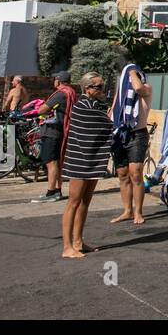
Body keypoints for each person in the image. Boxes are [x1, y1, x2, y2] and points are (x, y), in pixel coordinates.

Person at [60, 74, 114, 259]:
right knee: (73, 202)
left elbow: (104, 125)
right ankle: (67, 247)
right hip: (79, 159)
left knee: (85, 202)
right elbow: (103, 125)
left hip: (93, 158)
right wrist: (109, 122)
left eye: (102, 86)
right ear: (87, 88)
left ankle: (78, 241)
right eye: (98, 86)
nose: (101, 89)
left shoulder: (97, 106)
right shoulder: (81, 106)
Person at [110, 67, 152, 225]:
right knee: (122, 173)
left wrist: (131, 71)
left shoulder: (146, 88)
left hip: (137, 134)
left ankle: (138, 212)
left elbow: (138, 87)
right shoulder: (121, 95)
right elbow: (114, 110)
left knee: (136, 173)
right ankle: (127, 211)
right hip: (120, 135)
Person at [30, 72, 77, 203]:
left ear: (58, 81)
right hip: (60, 130)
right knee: (56, 161)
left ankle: (51, 192)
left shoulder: (61, 94)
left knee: (51, 162)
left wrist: (39, 107)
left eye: (55, 79)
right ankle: (57, 190)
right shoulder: (71, 92)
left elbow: (42, 110)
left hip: (52, 131)